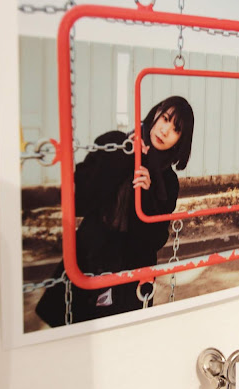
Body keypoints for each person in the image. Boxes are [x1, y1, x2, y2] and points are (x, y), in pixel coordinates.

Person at [36, 96, 194, 326]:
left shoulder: (167, 182)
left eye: (176, 129)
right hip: (90, 257)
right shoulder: (115, 143)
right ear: (156, 114)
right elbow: (79, 201)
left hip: (129, 274)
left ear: (181, 140)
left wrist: (147, 196)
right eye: (165, 119)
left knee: (120, 337)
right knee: (70, 334)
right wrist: (125, 157)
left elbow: (156, 239)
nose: (165, 130)